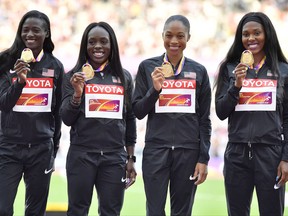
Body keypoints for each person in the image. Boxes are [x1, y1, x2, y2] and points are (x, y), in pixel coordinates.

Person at [133, 15, 212, 215]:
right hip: (156, 151)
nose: (174, 41)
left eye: (180, 36)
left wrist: (203, 158)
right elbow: (138, 111)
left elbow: (204, 120)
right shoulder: (147, 67)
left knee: (182, 212)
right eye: (169, 35)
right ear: (162, 36)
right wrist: (155, 90)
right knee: (154, 211)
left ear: (188, 38)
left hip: (188, 153)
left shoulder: (199, 71)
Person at [214, 12, 288, 216]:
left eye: (257, 33)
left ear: (268, 35)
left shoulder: (283, 70)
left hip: (271, 155)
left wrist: (286, 158)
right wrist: (236, 86)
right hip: (237, 155)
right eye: (245, 34)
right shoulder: (229, 68)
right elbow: (221, 112)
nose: (251, 38)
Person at [60, 21, 137, 216]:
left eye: (104, 41)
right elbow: (67, 119)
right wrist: (77, 94)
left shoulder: (124, 77)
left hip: (114, 158)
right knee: (77, 211)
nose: (97, 46)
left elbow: (129, 119)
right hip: (82, 155)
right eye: (92, 42)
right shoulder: (73, 76)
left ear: (112, 46)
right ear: (85, 46)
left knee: (111, 212)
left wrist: (130, 159)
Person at [0, 10, 64, 216]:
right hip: (9, 148)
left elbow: (57, 112)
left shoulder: (55, 66)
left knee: (35, 211)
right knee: (2, 207)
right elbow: (3, 104)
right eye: (25, 30)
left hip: (41, 149)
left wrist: (54, 148)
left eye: (35, 30)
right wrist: (19, 81)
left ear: (46, 33)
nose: (29, 34)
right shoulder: (6, 62)